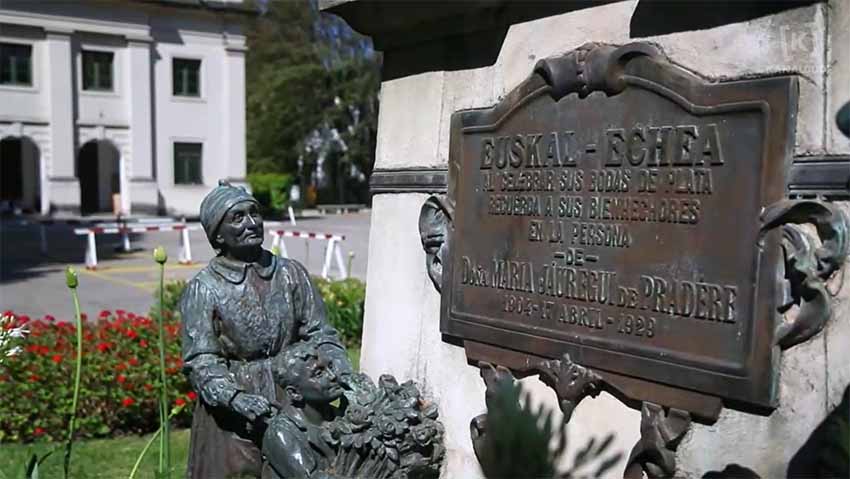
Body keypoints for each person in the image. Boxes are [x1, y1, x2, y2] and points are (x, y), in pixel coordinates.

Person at [180, 181, 353, 479]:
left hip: (294, 399)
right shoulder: (204, 288)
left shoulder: (290, 273)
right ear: (218, 234)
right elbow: (201, 361)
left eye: (254, 213)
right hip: (233, 414)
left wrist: (341, 370)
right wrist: (234, 398)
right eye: (237, 218)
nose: (251, 223)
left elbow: (320, 332)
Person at [262, 342, 344, 479]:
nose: (332, 376)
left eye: (330, 367)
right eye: (318, 374)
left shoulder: (343, 416)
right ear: (294, 393)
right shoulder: (280, 433)